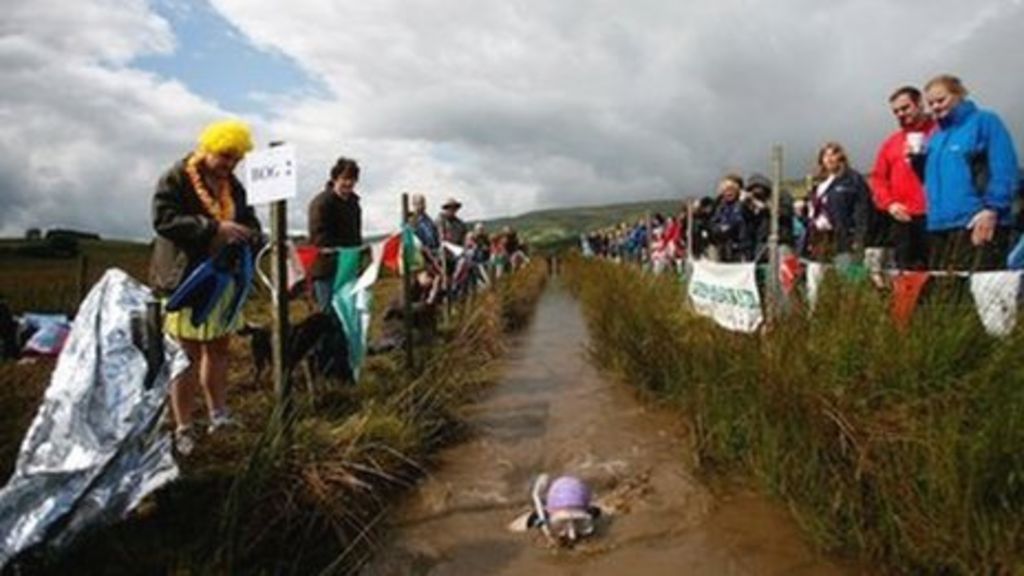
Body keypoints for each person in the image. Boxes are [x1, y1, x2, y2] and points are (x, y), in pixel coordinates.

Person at [150, 119, 261, 454]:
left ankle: (219, 414)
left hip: (223, 279)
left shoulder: (234, 186)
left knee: (219, 350)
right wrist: (214, 228)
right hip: (185, 280)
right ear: (209, 148)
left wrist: (253, 234)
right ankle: (183, 425)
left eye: (236, 159)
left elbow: (248, 219)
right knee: (186, 356)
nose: (230, 164)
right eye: (225, 157)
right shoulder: (176, 177)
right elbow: (163, 220)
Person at [921, 74, 1020, 271]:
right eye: (931, 103)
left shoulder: (985, 122)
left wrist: (992, 209)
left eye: (941, 100)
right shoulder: (935, 137)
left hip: (977, 222)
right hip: (940, 226)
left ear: (959, 95)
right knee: (947, 295)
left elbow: (1005, 167)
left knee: (983, 293)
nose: (936, 107)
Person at [307, 156, 363, 379]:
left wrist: (357, 256)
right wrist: (340, 252)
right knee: (328, 319)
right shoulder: (321, 202)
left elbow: (355, 235)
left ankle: (343, 368)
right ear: (335, 178)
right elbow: (319, 239)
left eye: (352, 180)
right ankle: (325, 370)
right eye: (345, 179)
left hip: (349, 269)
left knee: (348, 318)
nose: (349, 184)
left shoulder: (354, 203)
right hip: (327, 271)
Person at [870, 85, 935, 271]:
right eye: (896, 111)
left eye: (905, 108)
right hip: (903, 219)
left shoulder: (940, 133)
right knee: (906, 275)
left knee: (939, 273)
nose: (900, 114)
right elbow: (878, 179)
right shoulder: (890, 143)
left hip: (936, 216)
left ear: (920, 104)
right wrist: (890, 204)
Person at [805, 142, 871, 264]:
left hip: (844, 235)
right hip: (820, 236)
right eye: (825, 155)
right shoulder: (818, 183)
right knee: (818, 274)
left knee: (847, 273)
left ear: (841, 157)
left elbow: (863, 210)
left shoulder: (852, 179)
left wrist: (859, 237)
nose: (829, 159)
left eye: (833, 154)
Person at [709, 174, 753, 262]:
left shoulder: (745, 204)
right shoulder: (719, 206)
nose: (728, 192)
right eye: (725, 189)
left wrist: (727, 226)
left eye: (731, 189)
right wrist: (720, 228)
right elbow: (712, 225)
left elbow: (738, 221)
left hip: (741, 249)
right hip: (724, 248)